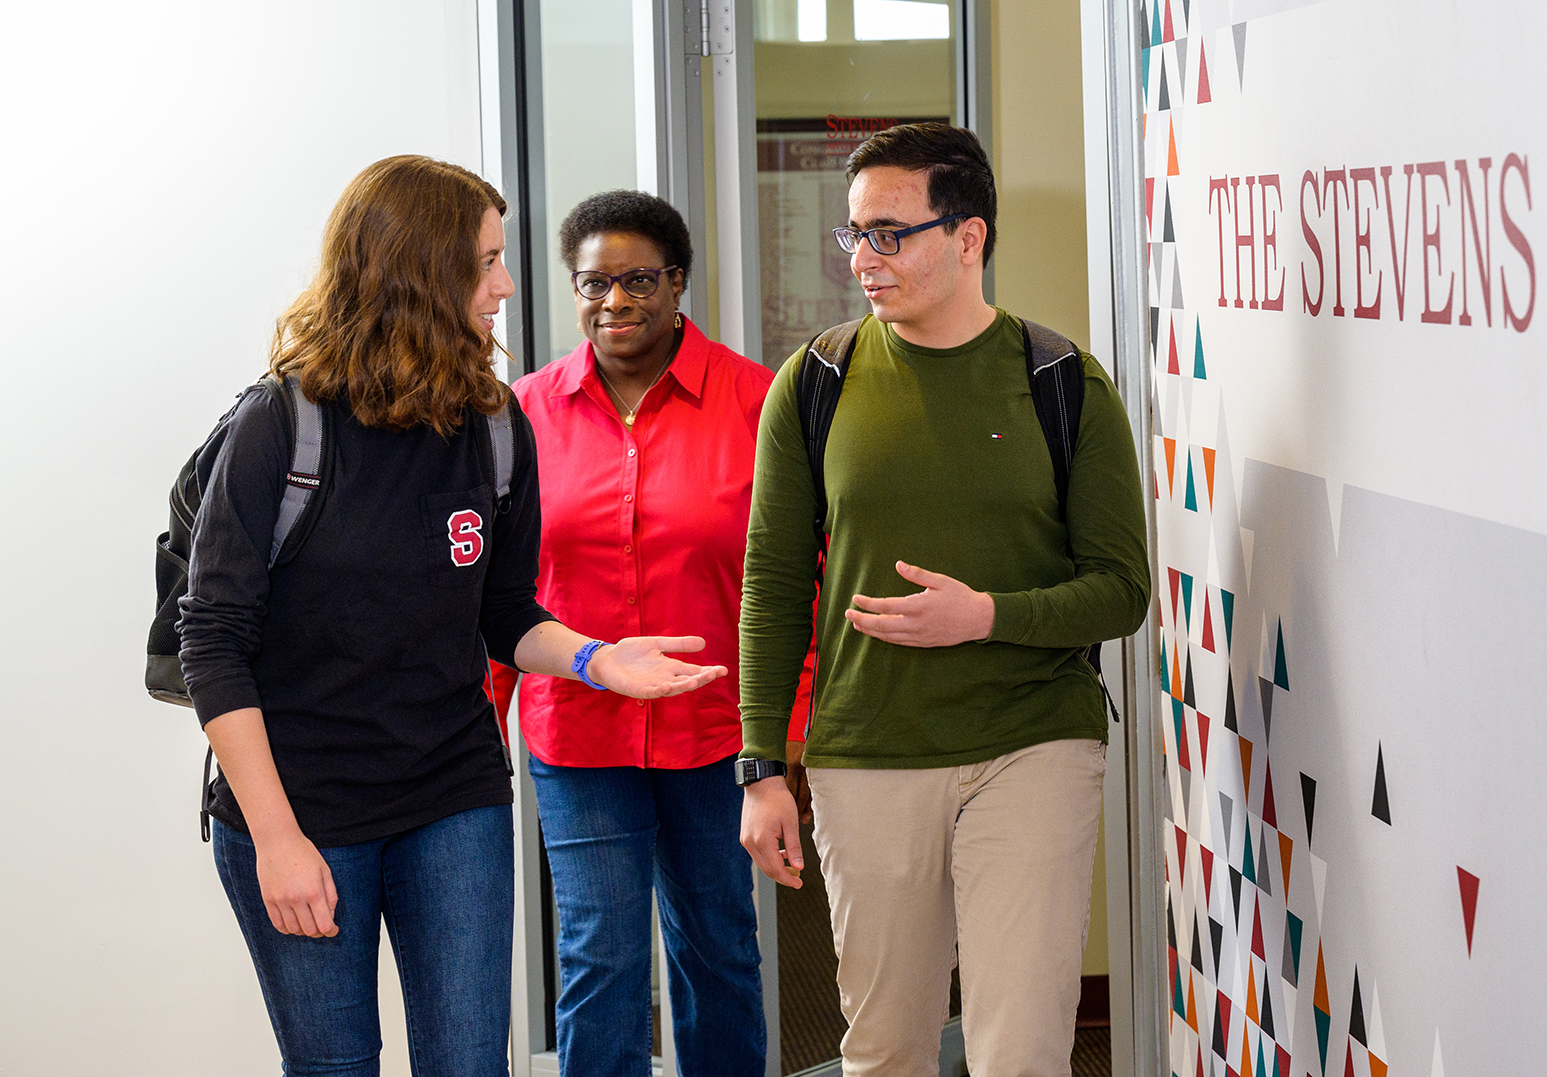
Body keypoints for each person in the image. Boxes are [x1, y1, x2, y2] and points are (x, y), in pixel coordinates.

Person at [178, 156, 724, 1077]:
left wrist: (597, 660)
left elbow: (505, 612)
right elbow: (213, 640)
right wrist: (276, 840)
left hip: (452, 798)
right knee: (336, 1064)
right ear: (415, 269)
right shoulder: (283, 424)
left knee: (472, 1064)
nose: (506, 284)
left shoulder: (494, 423)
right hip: (301, 807)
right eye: (486, 262)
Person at [736, 123, 1151, 1076]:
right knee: (885, 1049)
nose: (864, 261)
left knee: (1022, 1047)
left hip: (1034, 740)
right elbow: (772, 577)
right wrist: (760, 761)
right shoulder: (815, 382)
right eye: (853, 236)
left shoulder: (1061, 381)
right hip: (867, 752)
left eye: (890, 233)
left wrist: (988, 616)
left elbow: (1122, 591)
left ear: (969, 237)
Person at [499, 191, 806, 1077]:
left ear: (678, 282)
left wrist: (786, 738)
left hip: (719, 739)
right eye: (593, 283)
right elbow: (498, 591)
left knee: (718, 949)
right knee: (601, 959)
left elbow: (803, 581)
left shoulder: (758, 402)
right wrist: (485, 719)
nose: (615, 302)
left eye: (638, 279)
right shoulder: (523, 413)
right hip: (578, 732)